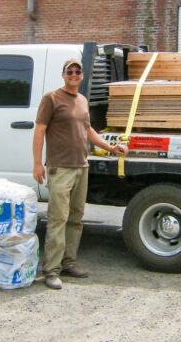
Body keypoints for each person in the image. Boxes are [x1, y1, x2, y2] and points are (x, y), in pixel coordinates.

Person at [33, 58, 126, 290]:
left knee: (75, 219)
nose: (74, 75)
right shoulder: (51, 99)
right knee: (58, 219)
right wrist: (37, 163)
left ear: (82, 76)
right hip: (60, 167)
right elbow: (40, 131)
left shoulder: (82, 100)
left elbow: (87, 130)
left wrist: (110, 148)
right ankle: (51, 271)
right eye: (69, 71)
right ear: (63, 75)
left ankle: (68, 263)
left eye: (77, 71)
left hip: (81, 167)